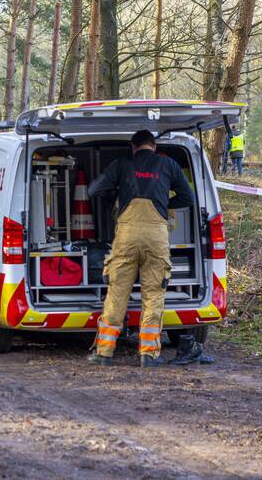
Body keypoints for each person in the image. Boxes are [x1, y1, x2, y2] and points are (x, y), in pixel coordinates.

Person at [86, 129, 207, 367]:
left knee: (117, 292)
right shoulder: (169, 164)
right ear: (154, 147)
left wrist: (115, 200)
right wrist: (164, 204)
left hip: (126, 235)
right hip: (156, 235)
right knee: (153, 295)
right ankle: (149, 355)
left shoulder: (122, 163)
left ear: (133, 147)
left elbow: (93, 190)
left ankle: (104, 352)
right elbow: (188, 198)